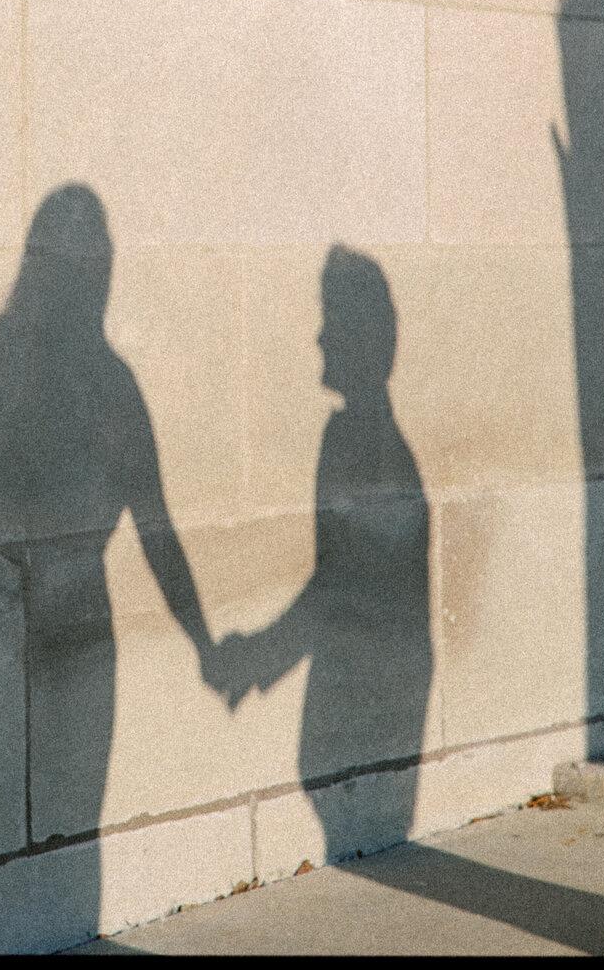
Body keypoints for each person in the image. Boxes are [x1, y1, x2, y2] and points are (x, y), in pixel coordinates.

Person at [0, 184, 226, 948]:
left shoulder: (7, 354)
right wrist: (205, 646)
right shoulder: (100, 377)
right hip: (57, 623)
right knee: (65, 850)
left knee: (7, 848)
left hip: (21, 622)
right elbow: (156, 530)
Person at [220, 248, 432, 855]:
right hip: (375, 676)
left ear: (368, 339)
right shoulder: (356, 435)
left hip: (375, 684)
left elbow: (341, 577)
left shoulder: (357, 441)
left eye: (331, 319)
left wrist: (257, 658)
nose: (318, 335)